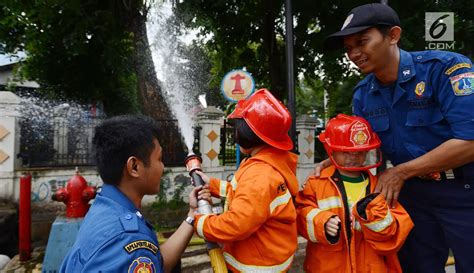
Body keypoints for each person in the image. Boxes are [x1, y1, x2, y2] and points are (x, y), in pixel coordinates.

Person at [321, 3, 474, 273]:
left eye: (362, 42)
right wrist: (338, 160)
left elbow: (470, 142)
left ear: (393, 35)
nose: (354, 54)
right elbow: (370, 152)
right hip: (411, 197)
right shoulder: (363, 95)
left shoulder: (445, 69)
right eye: (348, 48)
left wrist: (401, 172)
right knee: (415, 267)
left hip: (464, 190)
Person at [60, 115, 210, 273]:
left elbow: (158, 263)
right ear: (134, 167)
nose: (162, 167)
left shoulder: (105, 207)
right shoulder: (129, 240)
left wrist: (193, 214)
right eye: (159, 159)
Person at [193, 88, 299, 272]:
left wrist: (200, 222)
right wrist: (213, 185)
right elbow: (250, 196)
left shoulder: (260, 174)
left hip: (254, 267)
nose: (235, 134)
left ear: (248, 133)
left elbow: (236, 224)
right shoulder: (268, 162)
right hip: (267, 261)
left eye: (237, 128)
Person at [296, 114, 413, 273]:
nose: (354, 157)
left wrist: (373, 220)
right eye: (346, 152)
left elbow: (395, 232)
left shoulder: (379, 186)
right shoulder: (316, 183)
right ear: (332, 150)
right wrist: (321, 222)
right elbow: (300, 215)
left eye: (360, 152)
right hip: (329, 267)